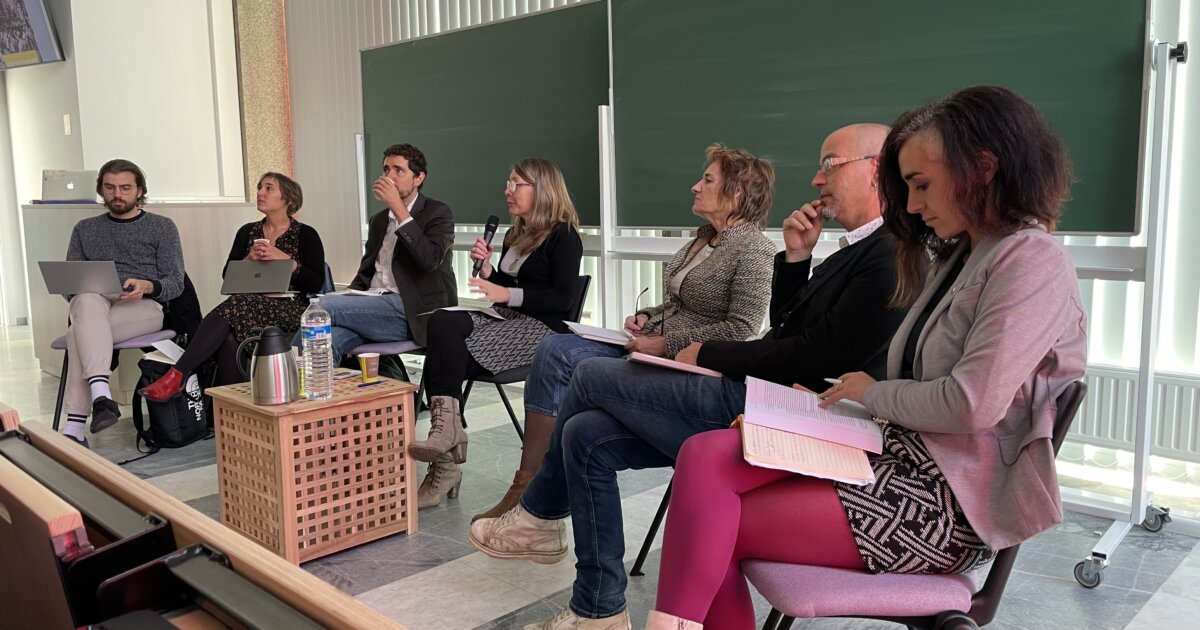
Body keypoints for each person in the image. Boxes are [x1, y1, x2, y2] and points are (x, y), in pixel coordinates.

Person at [643, 86, 1088, 629]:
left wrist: (870, 395)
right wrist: (850, 405)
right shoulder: (963, 254)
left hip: (943, 502)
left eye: (922, 185)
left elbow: (970, 405)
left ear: (983, 168)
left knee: (715, 520)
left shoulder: (1031, 261)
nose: (914, 204)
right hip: (895, 452)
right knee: (704, 454)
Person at [469, 124, 907, 630]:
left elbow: (804, 351)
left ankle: (539, 514)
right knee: (584, 434)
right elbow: (791, 329)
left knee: (586, 373)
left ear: (875, 168)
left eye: (829, 164)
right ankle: (598, 609)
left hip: (776, 412)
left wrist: (700, 351)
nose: (815, 179)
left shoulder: (890, 252)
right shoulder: (856, 248)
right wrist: (796, 258)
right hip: (758, 391)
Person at [473, 143, 778, 522]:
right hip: (650, 346)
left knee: (579, 380)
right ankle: (528, 482)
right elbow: (681, 306)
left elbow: (742, 329)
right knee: (553, 348)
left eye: (707, 180)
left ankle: (537, 501)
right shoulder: (703, 239)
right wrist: (647, 316)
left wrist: (665, 342)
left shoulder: (755, 250)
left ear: (736, 194)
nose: (695, 186)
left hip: (688, 366)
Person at [407, 158, 584, 510]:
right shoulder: (515, 234)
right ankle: (446, 433)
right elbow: (511, 285)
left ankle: (445, 461)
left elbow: (562, 300)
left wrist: (506, 293)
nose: (507, 190)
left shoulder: (564, 236)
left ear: (542, 189)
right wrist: (491, 272)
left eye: (516, 183)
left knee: (446, 357)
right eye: (508, 182)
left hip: (540, 331)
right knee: (442, 321)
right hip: (504, 319)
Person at [138, 173, 325, 400]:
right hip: (247, 308)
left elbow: (316, 282)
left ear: (289, 198)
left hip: (291, 307)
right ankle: (232, 407)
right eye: (259, 187)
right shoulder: (247, 232)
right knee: (229, 338)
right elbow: (229, 279)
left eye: (268, 188)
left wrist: (286, 261)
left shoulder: (306, 234)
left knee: (237, 304)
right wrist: (248, 260)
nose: (260, 192)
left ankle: (179, 374)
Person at [59, 159, 184, 447]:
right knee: (85, 297)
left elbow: (176, 283)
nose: (117, 194)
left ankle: (76, 425)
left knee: (77, 334)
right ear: (101, 190)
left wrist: (148, 286)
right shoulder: (85, 229)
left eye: (126, 188)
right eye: (110, 187)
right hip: (95, 304)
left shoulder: (162, 227)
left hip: (144, 307)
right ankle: (100, 396)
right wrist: (85, 290)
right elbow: (70, 285)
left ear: (140, 190)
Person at [318, 143, 456, 364]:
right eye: (386, 169)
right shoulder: (379, 220)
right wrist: (348, 296)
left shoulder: (438, 212)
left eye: (398, 170)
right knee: (324, 339)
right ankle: (301, 384)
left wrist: (399, 209)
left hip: (411, 311)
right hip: (373, 305)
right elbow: (366, 272)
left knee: (320, 307)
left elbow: (430, 260)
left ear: (418, 178)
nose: (389, 177)